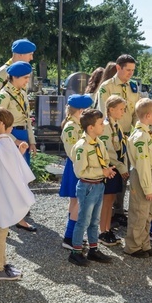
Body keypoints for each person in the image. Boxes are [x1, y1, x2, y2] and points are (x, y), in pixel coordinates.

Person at [0, 108, 35, 280]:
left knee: (3, 229)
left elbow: (6, 162)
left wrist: (19, 153)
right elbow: (3, 156)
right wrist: (4, 136)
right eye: (9, 127)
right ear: (2, 126)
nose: (11, 130)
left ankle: (2, 263)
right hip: (0, 194)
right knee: (1, 231)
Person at [96, 55, 141, 225]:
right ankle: (107, 212)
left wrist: (136, 130)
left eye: (133, 70)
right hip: (113, 135)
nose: (130, 73)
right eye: (128, 70)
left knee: (125, 174)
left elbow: (136, 111)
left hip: (129, 134)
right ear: (118, 68)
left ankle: (119, 210)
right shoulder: (106, 87)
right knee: (113, 171)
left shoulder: (133, 86)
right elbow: (103, 112)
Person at [68, 108, 115, 266]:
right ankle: (75, 251)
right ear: (91, 128)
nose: (103, 126)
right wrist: (101, 171)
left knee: (95, 220)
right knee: (83, 220)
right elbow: (80, 171)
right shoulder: (82, 147)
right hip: (87, 186)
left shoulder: (99, 143)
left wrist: (107, 172)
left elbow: (105, 160)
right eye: (101, 123)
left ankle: (93, 249)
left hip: (98, 185)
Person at [124, 98, 152, 258]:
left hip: (148, 174)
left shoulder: (147, 134)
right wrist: (147, 188)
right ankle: (133, 246)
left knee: (147, 213)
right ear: (147, 116)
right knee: (139, 212)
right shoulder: (140, 137)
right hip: (141, 176)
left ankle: (144, 244)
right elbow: (143, 165)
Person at [59, 94, 94, 250]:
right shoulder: (72, 127)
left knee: (75, 201)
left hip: (78, 166)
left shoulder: (77, 124)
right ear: (81, 110)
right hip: (77, 167)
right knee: (79, 202)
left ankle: (73, 235)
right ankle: (69, 237)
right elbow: (73, 151)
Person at [0, 61, 37, 169]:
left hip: (24, 135)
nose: (27, 81)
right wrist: (15, 141)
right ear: (15, 77)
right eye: (25, 77)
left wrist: (32, 141)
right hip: (11, 136)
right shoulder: (4, 96)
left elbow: (27, 119)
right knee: (13, 173)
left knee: (24, 172)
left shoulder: (22, 94)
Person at [98, 95, 127, 246]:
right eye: (121, 109)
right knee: (106, 200)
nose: (123, 112)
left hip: (117, 166)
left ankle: (107, 228)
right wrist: (122, 168)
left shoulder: (116, 125)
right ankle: (102, 231)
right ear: (111, 109)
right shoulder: (105, 126)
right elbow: (108, 152)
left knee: (110, 200)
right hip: (111, 167)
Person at [0, 39, 36, 112]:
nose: (31, 58)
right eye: (30, 54)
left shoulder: (23, 71)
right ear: (20, 54)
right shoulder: (3, 72)